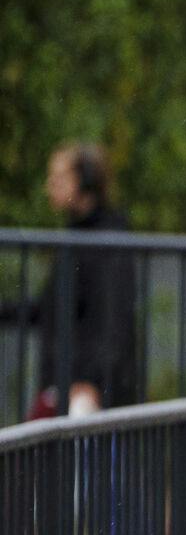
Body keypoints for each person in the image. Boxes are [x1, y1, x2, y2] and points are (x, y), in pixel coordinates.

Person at [1, 144, 139, 418]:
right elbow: (51, 308)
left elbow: (113, 319)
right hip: (64, 385)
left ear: (85, 183)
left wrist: (91, 380)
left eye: (60, 178)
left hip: (88, 394)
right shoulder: (74, 238)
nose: (50, 185)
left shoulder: (106, 241)